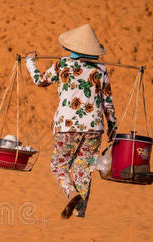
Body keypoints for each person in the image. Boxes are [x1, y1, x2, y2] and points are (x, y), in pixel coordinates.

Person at [24, 23, 117, 219]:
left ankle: (71, 193)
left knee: (58, 166)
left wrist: (29, 61)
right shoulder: (101, 69)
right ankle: (79, 211)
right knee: (83, 169)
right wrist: (113, 128)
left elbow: (40, 80)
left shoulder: (63, 64)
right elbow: (108, 102)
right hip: (94, 128)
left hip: (67, 127)